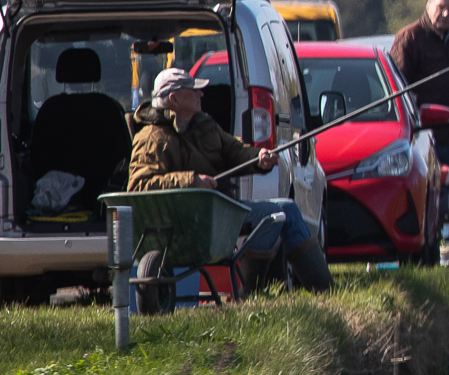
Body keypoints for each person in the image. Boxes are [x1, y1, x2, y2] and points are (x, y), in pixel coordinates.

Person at [127, 67, 332, 293]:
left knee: (284, 213)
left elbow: (234, 151)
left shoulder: (204, 124)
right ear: (174, 99)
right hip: (190, 224)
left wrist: (258, 158)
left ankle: (261, 292)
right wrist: (191, 181)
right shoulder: (151, 138)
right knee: (278, 213)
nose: (201, 94)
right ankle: (259, 291)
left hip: (218, 216)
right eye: (193, 90)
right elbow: (139, 186)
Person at [390, 0, 449, 173]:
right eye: (441, 7)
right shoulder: (409, 38)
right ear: (428, 6)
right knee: (428, 197)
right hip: (424, 137)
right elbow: (397, 89)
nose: (446, 13)